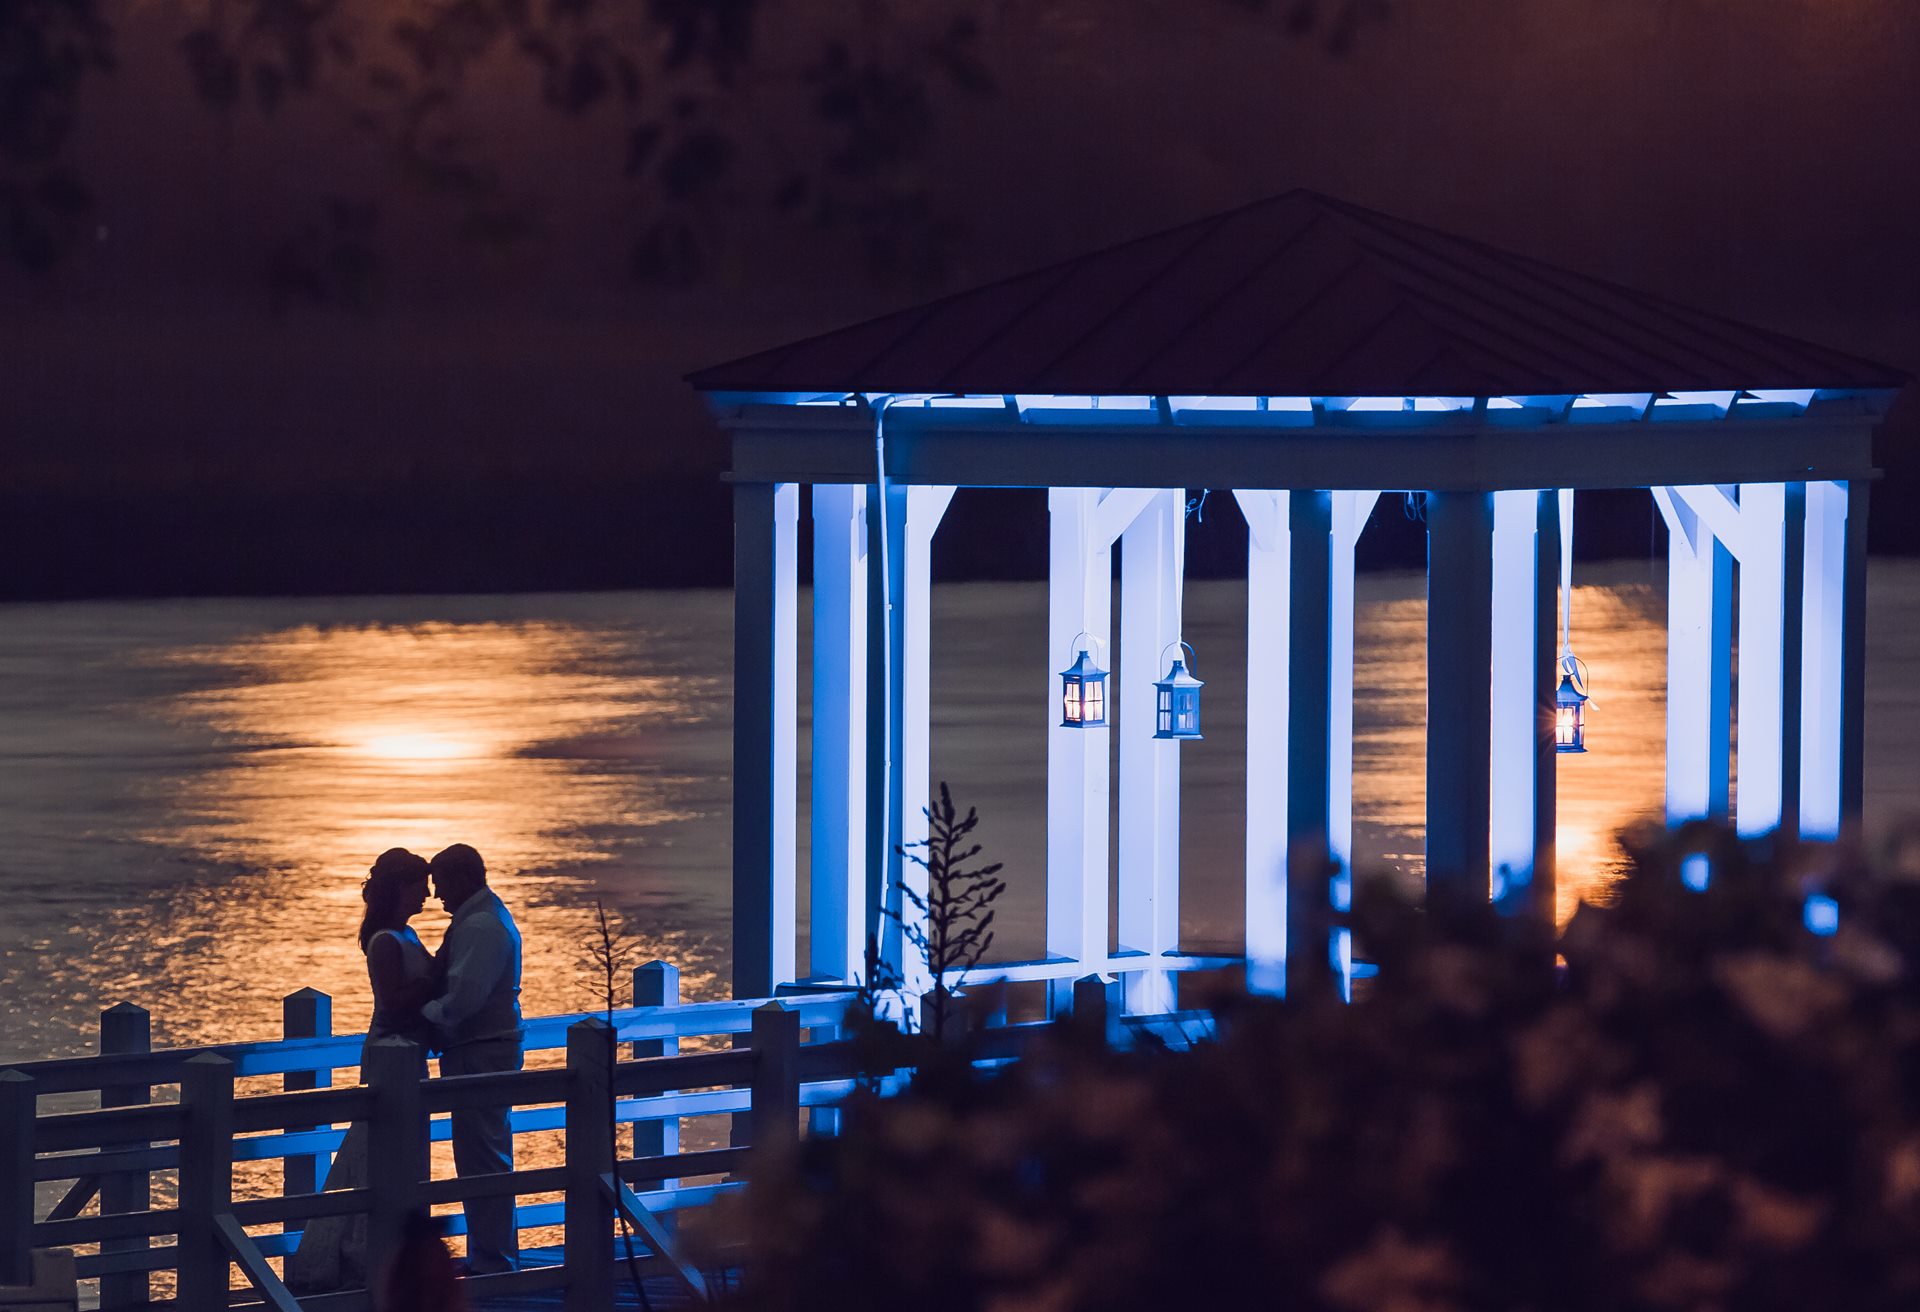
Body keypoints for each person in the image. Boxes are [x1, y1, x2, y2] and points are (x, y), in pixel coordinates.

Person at [287, 848, 437, 1294]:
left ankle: (388, 1251)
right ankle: (356, 1252)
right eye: (419, 885)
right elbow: (393, 1001)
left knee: (399, 1152)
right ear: (399, 888)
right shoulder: (386, 941)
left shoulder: (406, 936)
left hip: (409, 1056)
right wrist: (439, 975)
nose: (427, 894)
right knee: (374, 1154)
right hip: (390, 1054)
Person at [422, 843, 525, 1275]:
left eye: (441, 883)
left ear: (463, 878)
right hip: (483, 1050)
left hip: (480, 1053)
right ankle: (492, 1254)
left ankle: (494, 1260)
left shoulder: (481, 926)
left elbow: (463, 998)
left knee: (482, 1158)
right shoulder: (486, 918)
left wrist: (419, 1017)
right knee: (484, 1154)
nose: (435, 895)